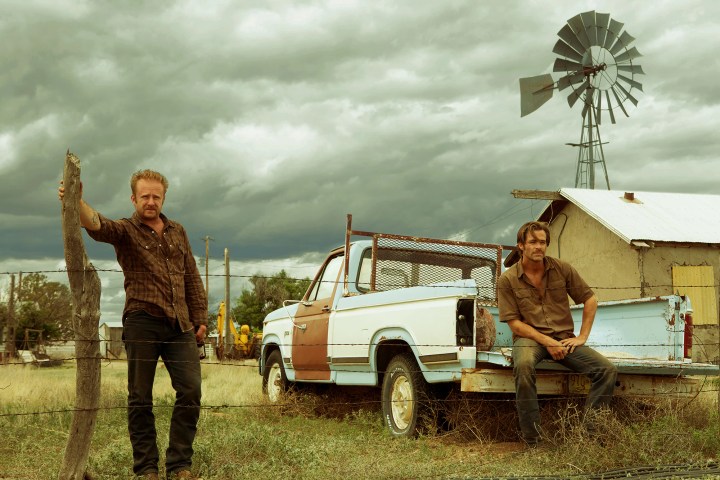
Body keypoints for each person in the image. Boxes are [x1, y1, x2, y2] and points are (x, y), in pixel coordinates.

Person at [59, 170, 207, 480]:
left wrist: (200, 319)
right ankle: (147, 469)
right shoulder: (127, 230)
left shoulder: (178, 231)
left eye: (156, 196)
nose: (151, 202)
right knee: (140, 396)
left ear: (163, 198)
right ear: (134, 199)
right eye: (145, 197)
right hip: (142, 320)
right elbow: (98, 225)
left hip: (180, 324)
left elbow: (191, 275)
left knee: (191, 390)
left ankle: (180, 465)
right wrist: (76, 201)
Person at [497, 221, 617, 447]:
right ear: (520, 246)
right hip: (529, 339)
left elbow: (590, 300)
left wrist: (581, 337)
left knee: (606, 370)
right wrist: (548, 342)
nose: (538, 247)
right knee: (522, 366)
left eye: (542, 242)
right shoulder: (508, 280)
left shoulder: (562, 269)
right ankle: (533, 441)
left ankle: (589, 437)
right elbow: (514, 324)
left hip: (565, 339)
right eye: (533, 242)